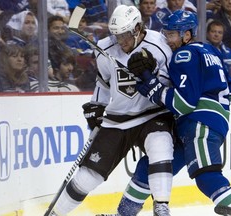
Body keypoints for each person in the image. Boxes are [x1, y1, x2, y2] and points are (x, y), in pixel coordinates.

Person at [99, 9, 231, 216]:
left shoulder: (183, 54)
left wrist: (153, 87)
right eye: (166, 33)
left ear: (187, 35)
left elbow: (184, 104)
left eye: (172, 34)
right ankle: (123, 214)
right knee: (151, 166)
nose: (167, 39)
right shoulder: (210, 51)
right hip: (196, 125)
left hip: (199, 124)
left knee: (206, 175)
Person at [50, 5, 175, 216]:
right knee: (89, 175)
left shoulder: (160, 44)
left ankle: (161, 206)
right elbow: (104, 82)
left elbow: (170, 82)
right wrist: (96, 106)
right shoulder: (104, 48)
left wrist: (151, 75)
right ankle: (56, 213)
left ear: (138, 28)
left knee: (160, 144)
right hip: (117, 119)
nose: (121, 41)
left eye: (125, 35)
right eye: (117, 35)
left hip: (152, 113)